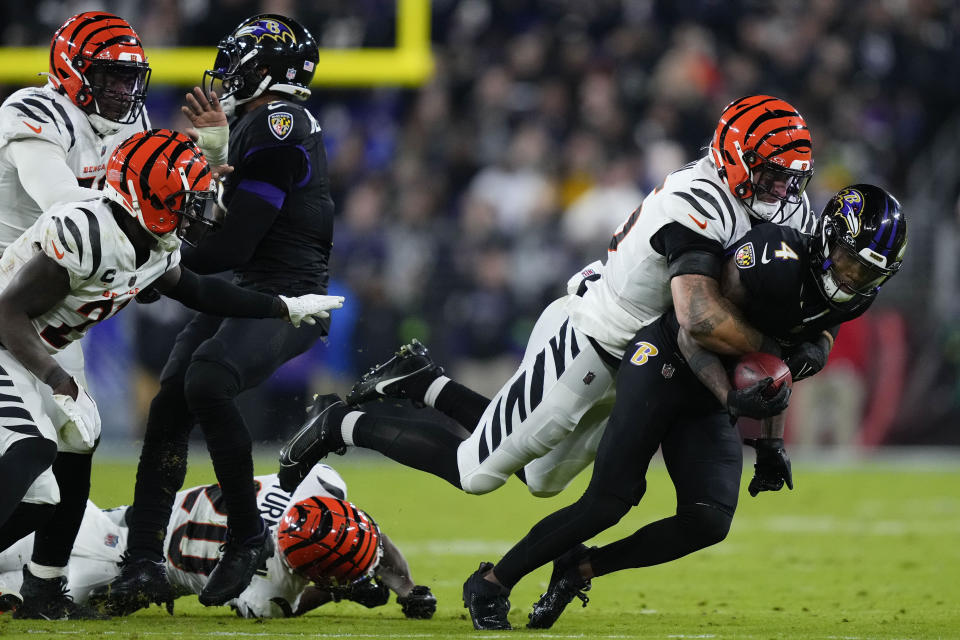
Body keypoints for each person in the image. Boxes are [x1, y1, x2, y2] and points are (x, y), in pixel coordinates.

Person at [277, 94, 817, 499]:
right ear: (736, 157)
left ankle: (421, 382)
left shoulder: (787, 211)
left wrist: (771, 432)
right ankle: (338, 422)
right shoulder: (697, 199)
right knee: (476, 471)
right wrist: (770, 352)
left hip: (643, 362)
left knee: (540, 480)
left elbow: (780, 322)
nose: (783, 191)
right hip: (590, 338)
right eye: (772, 175)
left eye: (791, 179)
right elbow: (699, 316)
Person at [460, 184, 908, 630]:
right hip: (666, 361)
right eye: (852, 261)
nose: (854, 279)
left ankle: (577, 570)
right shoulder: (772, 258)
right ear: (830, 237)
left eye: (869, 272)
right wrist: (729, 395)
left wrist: (772, 442)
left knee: (708, 519)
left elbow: (775, 365)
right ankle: (493, 581)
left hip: (711, 390)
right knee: (609, 501)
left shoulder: (857, 296)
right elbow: (692, 330)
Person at [0, 127, 342, 620]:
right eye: (190, 200)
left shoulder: (151, 242)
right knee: (33, 456)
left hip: (28, 351)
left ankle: (44, 590)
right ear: (153, 198)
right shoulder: (88, 233)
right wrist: (56, 377)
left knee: (71, 456)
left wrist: (282, 307)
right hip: (7, 343)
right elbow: (8, 312)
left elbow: (201, 292)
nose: (202, 212)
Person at [92, 13, 341, 611]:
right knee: (173, 395)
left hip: (288, 297)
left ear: (268, 69)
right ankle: (146, 558)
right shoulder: (258, 123)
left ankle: (248, 533)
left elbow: (235, 242)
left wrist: (159, 259)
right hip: (248, 282)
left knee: (207, 382)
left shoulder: (281, 124)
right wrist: (213, 152)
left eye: (241, 60)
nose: (227, 71)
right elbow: (222, 227)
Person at [0, 10, 151, 619]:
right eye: (107, 76)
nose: (121, 90)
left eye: (128, 78)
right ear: (70, 70)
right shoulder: (33, 111)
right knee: (30, 462)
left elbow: (157, 187)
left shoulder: (129, 119)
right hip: (10, 294)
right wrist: (145, 233)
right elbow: (63, 205)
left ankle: (43, 585)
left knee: (79, 439)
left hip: (56, 302)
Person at [0, 462, 436, 619]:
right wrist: (341, 592)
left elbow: (355, 535)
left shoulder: (311, 487)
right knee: (23, 596)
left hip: (110, 521)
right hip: (106, 568)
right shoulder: (269, 592)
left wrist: (406, 586)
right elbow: (307, 589)